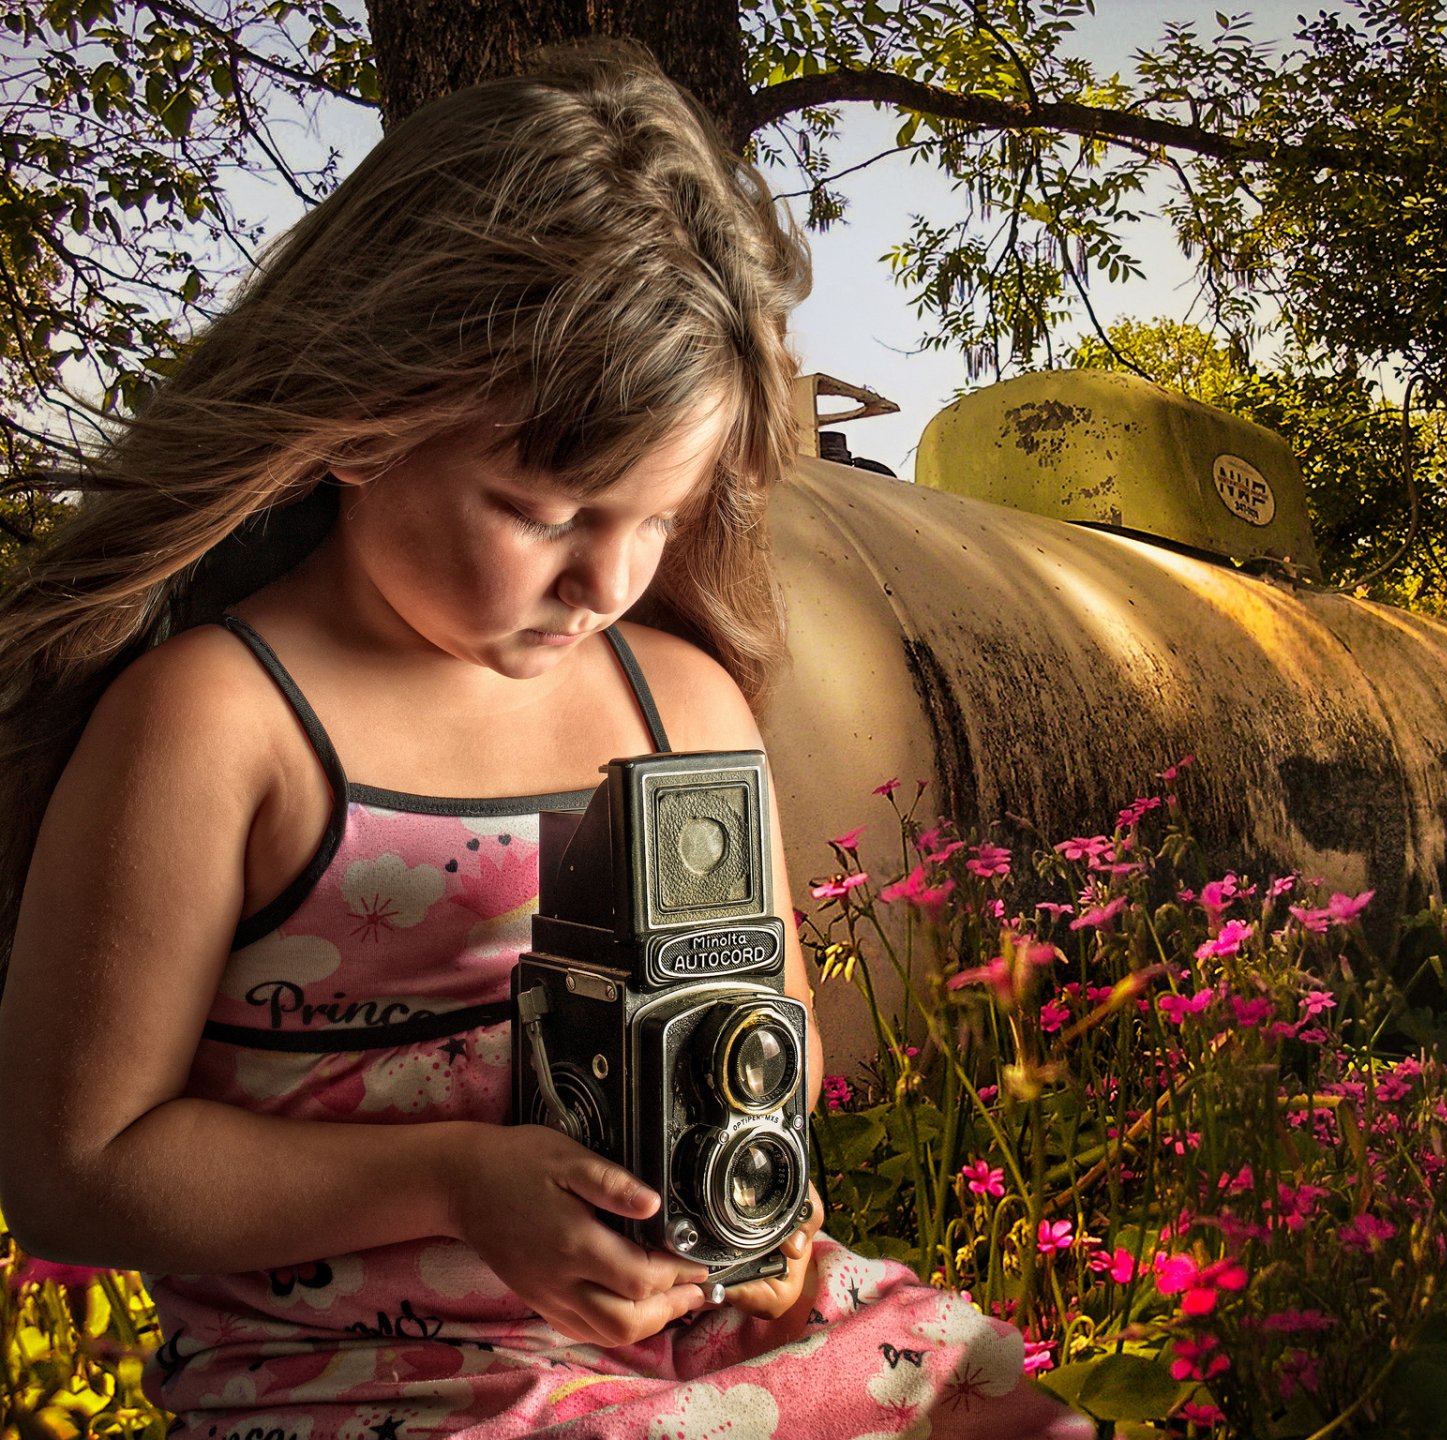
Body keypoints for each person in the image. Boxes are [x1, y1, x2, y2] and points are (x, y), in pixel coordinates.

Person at [0, 41, 1090, 1440]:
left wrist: (746, 1158)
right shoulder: (221, 721)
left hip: (699, 1322)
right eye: (548, 513)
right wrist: (461, 1181)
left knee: (1008, 1407)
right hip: (362, 1377)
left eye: (660, 519)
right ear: (365, 419)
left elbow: (783, 1035)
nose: (609, 583)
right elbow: (74, 1164)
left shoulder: (679, 705)